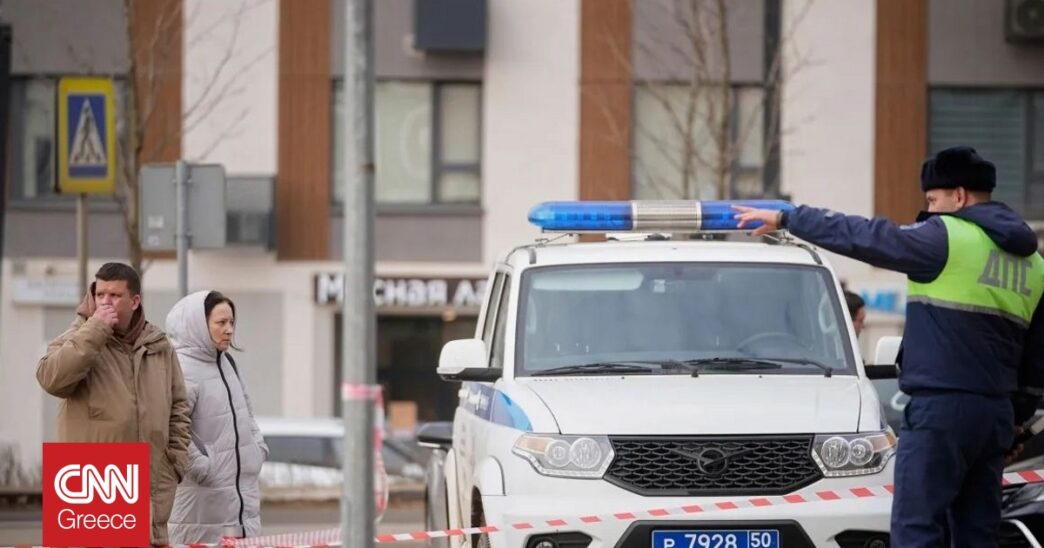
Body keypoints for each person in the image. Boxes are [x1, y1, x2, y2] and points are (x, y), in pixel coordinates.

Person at [734, 146, 1044, 547]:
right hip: (995, 418)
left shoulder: (946, 236)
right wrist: (1017, 422)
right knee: (978, 533)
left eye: (933, 200)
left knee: (917, 527)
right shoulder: (1034, 264)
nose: (929, 210)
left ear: (959, 196)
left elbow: (866, 236)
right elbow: (1036, 361)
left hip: (940, 412)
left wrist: (789, 218)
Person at [36, 262, 191, 546]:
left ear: (135, 301)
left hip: (151, 481)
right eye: (100, 294)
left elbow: (179, 407)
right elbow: (50, 379)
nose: (105, 302)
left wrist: (174, 463)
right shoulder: (79, 336)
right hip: (94, 482)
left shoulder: (158, 345)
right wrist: (96, 330)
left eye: (115, 295)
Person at [166, 290, 268, 543]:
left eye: (231, 322)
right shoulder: (181, 369)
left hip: (241, 499)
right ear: (199, 325)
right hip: (200, 501)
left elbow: (247, 415)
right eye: (221, 322)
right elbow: (170, 428)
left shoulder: (228, 363)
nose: (229, 330)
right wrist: (203, 469)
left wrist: (257, 450)